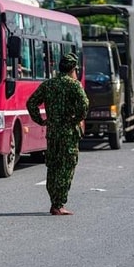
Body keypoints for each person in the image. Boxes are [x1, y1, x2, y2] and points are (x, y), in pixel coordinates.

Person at [26, 53, 89, 215]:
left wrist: (41, 120)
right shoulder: (74, 85)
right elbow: (84, 105)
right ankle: (58, 204)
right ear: (73, 69)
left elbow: (31, 102)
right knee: (67, 166)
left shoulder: (49, 85)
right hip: (68, 133)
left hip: (52, 132)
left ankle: (54, 201)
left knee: (53, 166)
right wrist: (76, 119)